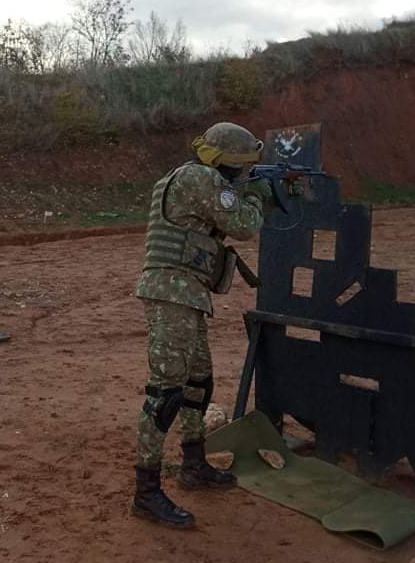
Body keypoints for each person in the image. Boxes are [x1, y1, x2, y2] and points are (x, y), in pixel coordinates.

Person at [131, 122, 272, 528]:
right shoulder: (200, 177)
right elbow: (243, 225)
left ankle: (193, 465)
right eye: (243, 166)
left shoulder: (192, 177)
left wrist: (249, 191)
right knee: (166, 393)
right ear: (228, 161)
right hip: (172, 295)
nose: (245, 173)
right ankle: (146, 492)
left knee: (198, 384)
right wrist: (260, 197)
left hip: (186, 294)